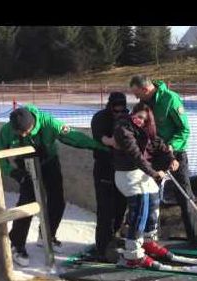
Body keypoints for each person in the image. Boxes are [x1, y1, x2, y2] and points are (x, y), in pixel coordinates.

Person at [0, 104, 108, 267]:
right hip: (25, 166)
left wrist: (100, 146)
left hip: (48, 162)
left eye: (26, 131)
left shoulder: (49, 123)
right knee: (26, 205)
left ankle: (47, 235)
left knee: (57, 200)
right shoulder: (7, 130)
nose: (23, 135)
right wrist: (13, 172)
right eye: (19, 133)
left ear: (33, 123)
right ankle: (16, 244)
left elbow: (73, 137)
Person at [129, 75, 197, 250]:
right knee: (146, 194)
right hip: (152, 155)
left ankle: (196, 238)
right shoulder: (142, 104)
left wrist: (172, 146)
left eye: (137, 93)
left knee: (184, 195)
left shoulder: (170, 99)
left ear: (146, 89)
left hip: (174, 154)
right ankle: (145, 237)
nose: (135, 98)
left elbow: (184, 129)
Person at [113, 102, 179, 268]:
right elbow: (136, 156)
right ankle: (133, 253)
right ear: (132, 114)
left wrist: (171, 159)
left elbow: (160, 145)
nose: (140, 120)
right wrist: (154, 173)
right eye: (138, 116)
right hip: (127, 174)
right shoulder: (123, 130)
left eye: (144, 119)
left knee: (154, 200)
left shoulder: (146, 132)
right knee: (140, 209)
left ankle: (148, 242)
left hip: (142, 174)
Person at [85, 92, 129, 261]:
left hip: (122, 168)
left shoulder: (128, 117)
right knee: (105, 210)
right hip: (104, 167)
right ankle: (102, 247)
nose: (118, 113)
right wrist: (111, 142)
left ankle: (114, 239)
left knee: (120, 207)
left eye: (121, 110)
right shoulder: (100, 118)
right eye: (115, 110)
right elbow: (100, 136)